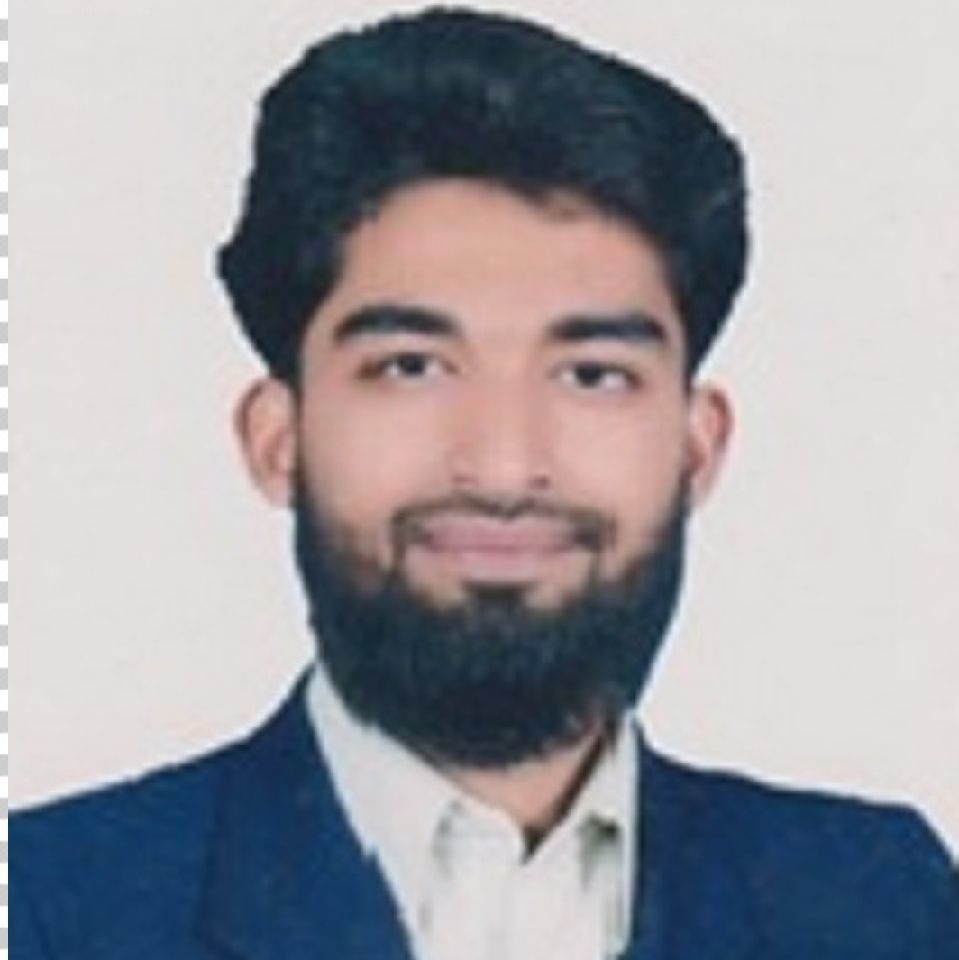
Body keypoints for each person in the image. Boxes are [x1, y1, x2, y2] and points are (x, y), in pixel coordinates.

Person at [11, 7, 958, 959]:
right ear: (277, 438)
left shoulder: (881, 902)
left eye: (592, 375)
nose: (503, 467)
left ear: (696, 447)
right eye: (411, 367)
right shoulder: (52, 905)